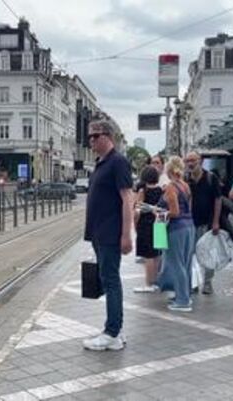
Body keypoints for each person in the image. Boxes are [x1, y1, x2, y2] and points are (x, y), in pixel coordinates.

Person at [83, 121, 133, 351]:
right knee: (108, 278)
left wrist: (126, 235)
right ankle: (116, 329)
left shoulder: (118, 162)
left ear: (107, 137)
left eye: (94, 136)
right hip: (99, 232)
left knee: (110, 280)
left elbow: (127, 199)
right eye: (90, 137)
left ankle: (112, 332)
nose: (91, 141)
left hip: (110, 233)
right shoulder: (101, 163)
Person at [157, 156, 195, 312]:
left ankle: (182, 301)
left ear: (169, 170)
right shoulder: (185, 185)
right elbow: (188, 208)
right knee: (186, 263)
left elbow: (175, 212)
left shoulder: (171, 187)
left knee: (176, 263)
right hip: (189, 226)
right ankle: (185, 294)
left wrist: (159, 213)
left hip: (176, 228)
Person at [185, 151, 222, 295]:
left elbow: (218, 199)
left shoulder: (211, 178)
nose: (190, 164)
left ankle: (207, 283)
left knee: (208, 253)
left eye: (193, 160)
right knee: (190, 254)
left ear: (200, 161)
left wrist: (216, 221)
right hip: (189, 223)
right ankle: (193, 283)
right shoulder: (185, 179)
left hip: (207, 222)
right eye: (188, 161)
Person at [133, 166, 163, 293]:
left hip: (146, 225)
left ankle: (149, 284)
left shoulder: (142, 191)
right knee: (157, 254)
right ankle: (156, 282)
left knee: (148, 256)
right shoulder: (161, 190)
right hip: (160, 223)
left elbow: (137, 211)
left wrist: (135, 224)